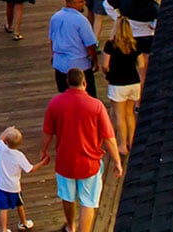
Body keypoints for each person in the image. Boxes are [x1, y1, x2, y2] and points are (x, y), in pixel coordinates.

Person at [41, 67, 123, 232]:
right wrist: (117, 161)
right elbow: (109, 138)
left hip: (65, 162)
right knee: (88, 202)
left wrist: (43, 151)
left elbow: (47, 133)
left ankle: (71, 226)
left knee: (67, 197)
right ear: (84, 83)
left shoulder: (55, 104)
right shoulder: (96, 106)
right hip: (89, 164)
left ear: (67, 83)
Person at [101, 16, 144, 154]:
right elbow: (142, 64)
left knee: (120, 116)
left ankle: (122, 145)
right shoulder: (135, 44)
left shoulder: (110, 45)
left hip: (117, 83)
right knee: (130, 114)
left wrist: (107, 71)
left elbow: (105, 65)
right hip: (133, 82)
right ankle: (132, 142)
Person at [105, 0, 161, 81]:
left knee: (129, 65)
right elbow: (158, 19)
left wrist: (118, 18)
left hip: (129, 36)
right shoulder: (153, 6)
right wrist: (152, 26)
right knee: (143, 71)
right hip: (147, 38)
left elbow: (106, 4)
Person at [49, 0, 99, 96]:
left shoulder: (55, 17)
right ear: (70, 3)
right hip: (79, 65)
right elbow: (90, 44)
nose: (84, 3)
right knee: (88, 96)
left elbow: (52, 39)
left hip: (60, 64)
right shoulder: (81, 21)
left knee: (64, 95)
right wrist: (95, 61)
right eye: (81, 1)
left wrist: (53, 54)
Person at [0, 126, 43, 232]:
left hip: (2, 185)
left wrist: (7, 130)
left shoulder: (2, 148)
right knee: (19, 204)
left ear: (6, 141)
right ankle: (24, 223)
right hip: (14, 187)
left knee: (3, 208)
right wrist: (43, 163)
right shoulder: (19, 156)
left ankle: (3, 229)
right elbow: (30, 169)